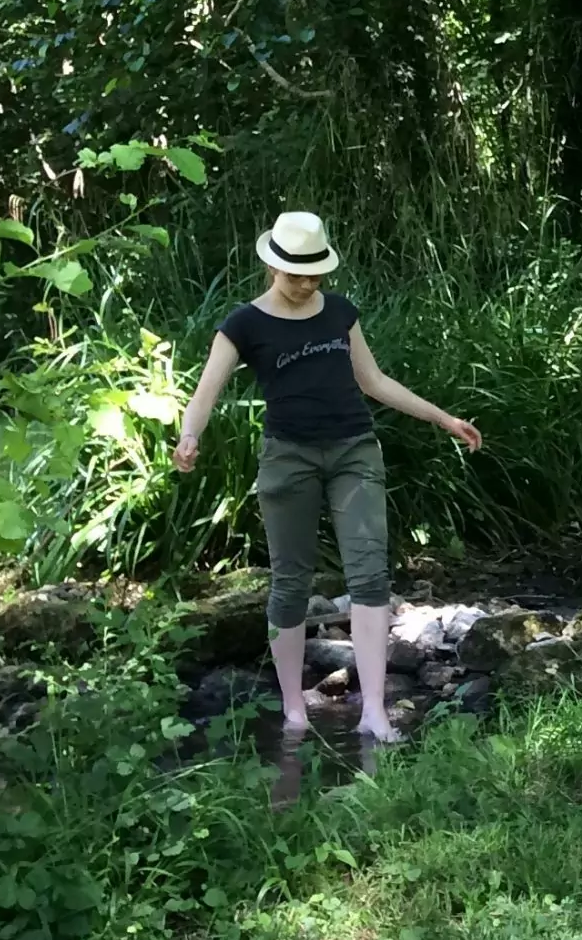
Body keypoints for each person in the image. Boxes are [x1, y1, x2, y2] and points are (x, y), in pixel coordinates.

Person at [173, 211, 482, 740]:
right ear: (274, 265)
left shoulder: (339, 312)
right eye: (297, 274)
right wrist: (189, 436)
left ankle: (374, 713)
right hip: (287, 457)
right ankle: (294, 708)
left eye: (315, 272)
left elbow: (375, 380)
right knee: (290, 581)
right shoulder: (244, 323)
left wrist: (442, 417)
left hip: (354, 451)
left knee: (369, 576)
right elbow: (207, 389)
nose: (308, 283)